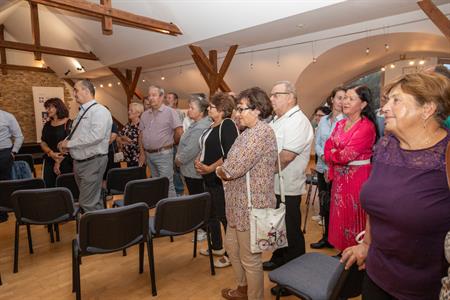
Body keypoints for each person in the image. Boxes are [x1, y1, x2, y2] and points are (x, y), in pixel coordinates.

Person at [341, 72, 450, 300]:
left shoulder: (446, 156)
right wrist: (366, 244)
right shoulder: (387, 145)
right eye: (387, 100)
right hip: (376, 276)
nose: (385, 108)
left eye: (396, 100)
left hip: (425, 288)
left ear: (427, 109)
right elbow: (376, 203)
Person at [216, 87, 277, 300]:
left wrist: (218, 170)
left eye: (242, 108)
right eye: (238, 109)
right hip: (238, 203)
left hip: (252, 206)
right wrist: (224, 168)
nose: (238, 113)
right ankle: (242, 289)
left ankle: (254, 296)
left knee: (250, 257)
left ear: (258, 110)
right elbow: (231, 164)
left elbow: (231, 169)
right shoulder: (248, 132)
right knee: (232, 247)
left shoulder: (260, 133)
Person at [263, 81, 314, 284]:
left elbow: (285, 157)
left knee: (291, 233)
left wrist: (261, 172)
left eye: (276, 95)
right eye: (271, 94)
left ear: (290, 97)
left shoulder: (298, 121)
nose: (271, 99)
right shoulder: (277, 119)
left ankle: (293, 277)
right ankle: (279, 258)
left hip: (288, 187)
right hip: (274, 184)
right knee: (276, 227)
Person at [324, 85, 378, 252]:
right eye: (345, 97)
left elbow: (346, 155)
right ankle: (343, 252)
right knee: (340, 216)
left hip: (358, 179)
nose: (345, 102)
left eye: (351, 98)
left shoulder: (366, 127)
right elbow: (328, 147)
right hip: (340, 179)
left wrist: (335, 152)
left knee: (355, 218)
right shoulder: (340, 124)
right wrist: (335, 153)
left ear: (363, 105)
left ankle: (355, 255)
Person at [194, 92, 238, 268]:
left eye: (211, 106)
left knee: (224, 216)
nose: (208, 109)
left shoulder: (227, 125)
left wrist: (210, 167)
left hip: (220, 178)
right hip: (208, 177)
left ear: (221, 109)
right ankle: (216, 246)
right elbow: (204, 146)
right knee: (211, 214)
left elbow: (229, 152)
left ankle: (230, 254)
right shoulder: (213, 124)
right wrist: (199, 160)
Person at [58, 79, 112, 212]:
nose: (74, 93)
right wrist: (65, 141)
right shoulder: (82, 111)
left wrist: (69, 144)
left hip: (92, 161)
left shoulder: (99, 111)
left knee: (87, 203)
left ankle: (93, 232)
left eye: (76, 90)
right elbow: (77, 133)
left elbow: (96, 136)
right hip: (80, 162)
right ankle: (103, 230)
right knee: (93, 199)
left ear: (86, 91)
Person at [310, 87, 345, 249]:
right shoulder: (323, 120)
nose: (342, 101)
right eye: (339, 98)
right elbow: (317, 144)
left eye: (345, 98)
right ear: (332, 99)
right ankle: (326, 237)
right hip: (322, 165)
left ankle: (337, 238)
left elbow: (342, 148)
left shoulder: (346, 121)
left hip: (337, 169)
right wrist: (323, 158)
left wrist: (330, 162)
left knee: (336, 205)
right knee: (324, 203)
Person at [138, 85, 183, 197]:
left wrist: (173, 142)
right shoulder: (144, 114)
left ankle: (172, 213)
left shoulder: (170, 112)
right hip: (149, 155)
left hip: (164, 154)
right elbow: (141, 134)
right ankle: (162, 210)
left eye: (154, 95)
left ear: (161, 97)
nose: (151, 98)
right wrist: (142, 153)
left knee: (167, 185)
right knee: (157, 184)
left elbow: (179, 131)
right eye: (149, 95)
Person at [175, 94, 210, 195]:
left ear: (201, 112)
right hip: (190, 169)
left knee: (197, 197)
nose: (188, 110)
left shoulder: (201, 126)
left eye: (192, 108)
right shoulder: (197, 123)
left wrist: (179, 160)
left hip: (193, 171)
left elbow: (191, 149)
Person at [40, 98, 73, 188]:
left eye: (50, 107)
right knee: (49, 188)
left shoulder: (70, 123)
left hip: (66, 162)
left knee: (66, 188)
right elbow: (43, 142)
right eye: (47, 108)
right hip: (49, 160)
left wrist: (57, 161)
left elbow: (70, 145)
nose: (48, 110)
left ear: (58, 107)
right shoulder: (47, 124)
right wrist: (51, 153)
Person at [0, 109, 23, 222]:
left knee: (3, 183)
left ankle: (3, 213)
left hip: (4, 153)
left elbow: (19, 136)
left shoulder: (7, 116)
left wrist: (13, 152)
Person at [166, 92, 187, 196]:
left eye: (169, 98)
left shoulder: (178, 113)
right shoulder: (165, 112)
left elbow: (180, 130)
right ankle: (171, 190)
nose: (167, 100)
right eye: (167, 98)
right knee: (169, 168)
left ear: (175, 101)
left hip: (176, 145)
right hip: (167, 145)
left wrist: (174, 141)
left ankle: (179, 191)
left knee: (176, 168)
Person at [117, 102, 144, 167]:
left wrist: (126, 140)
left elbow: (141, 143)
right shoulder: (128, 124)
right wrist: (125, 139)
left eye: (131, 110)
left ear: (138, 113)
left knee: (138, 177)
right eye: (129, 110)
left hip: (137, 159)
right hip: (127, 159)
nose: (129, 112)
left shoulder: (141, 125)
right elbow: (118, 138)